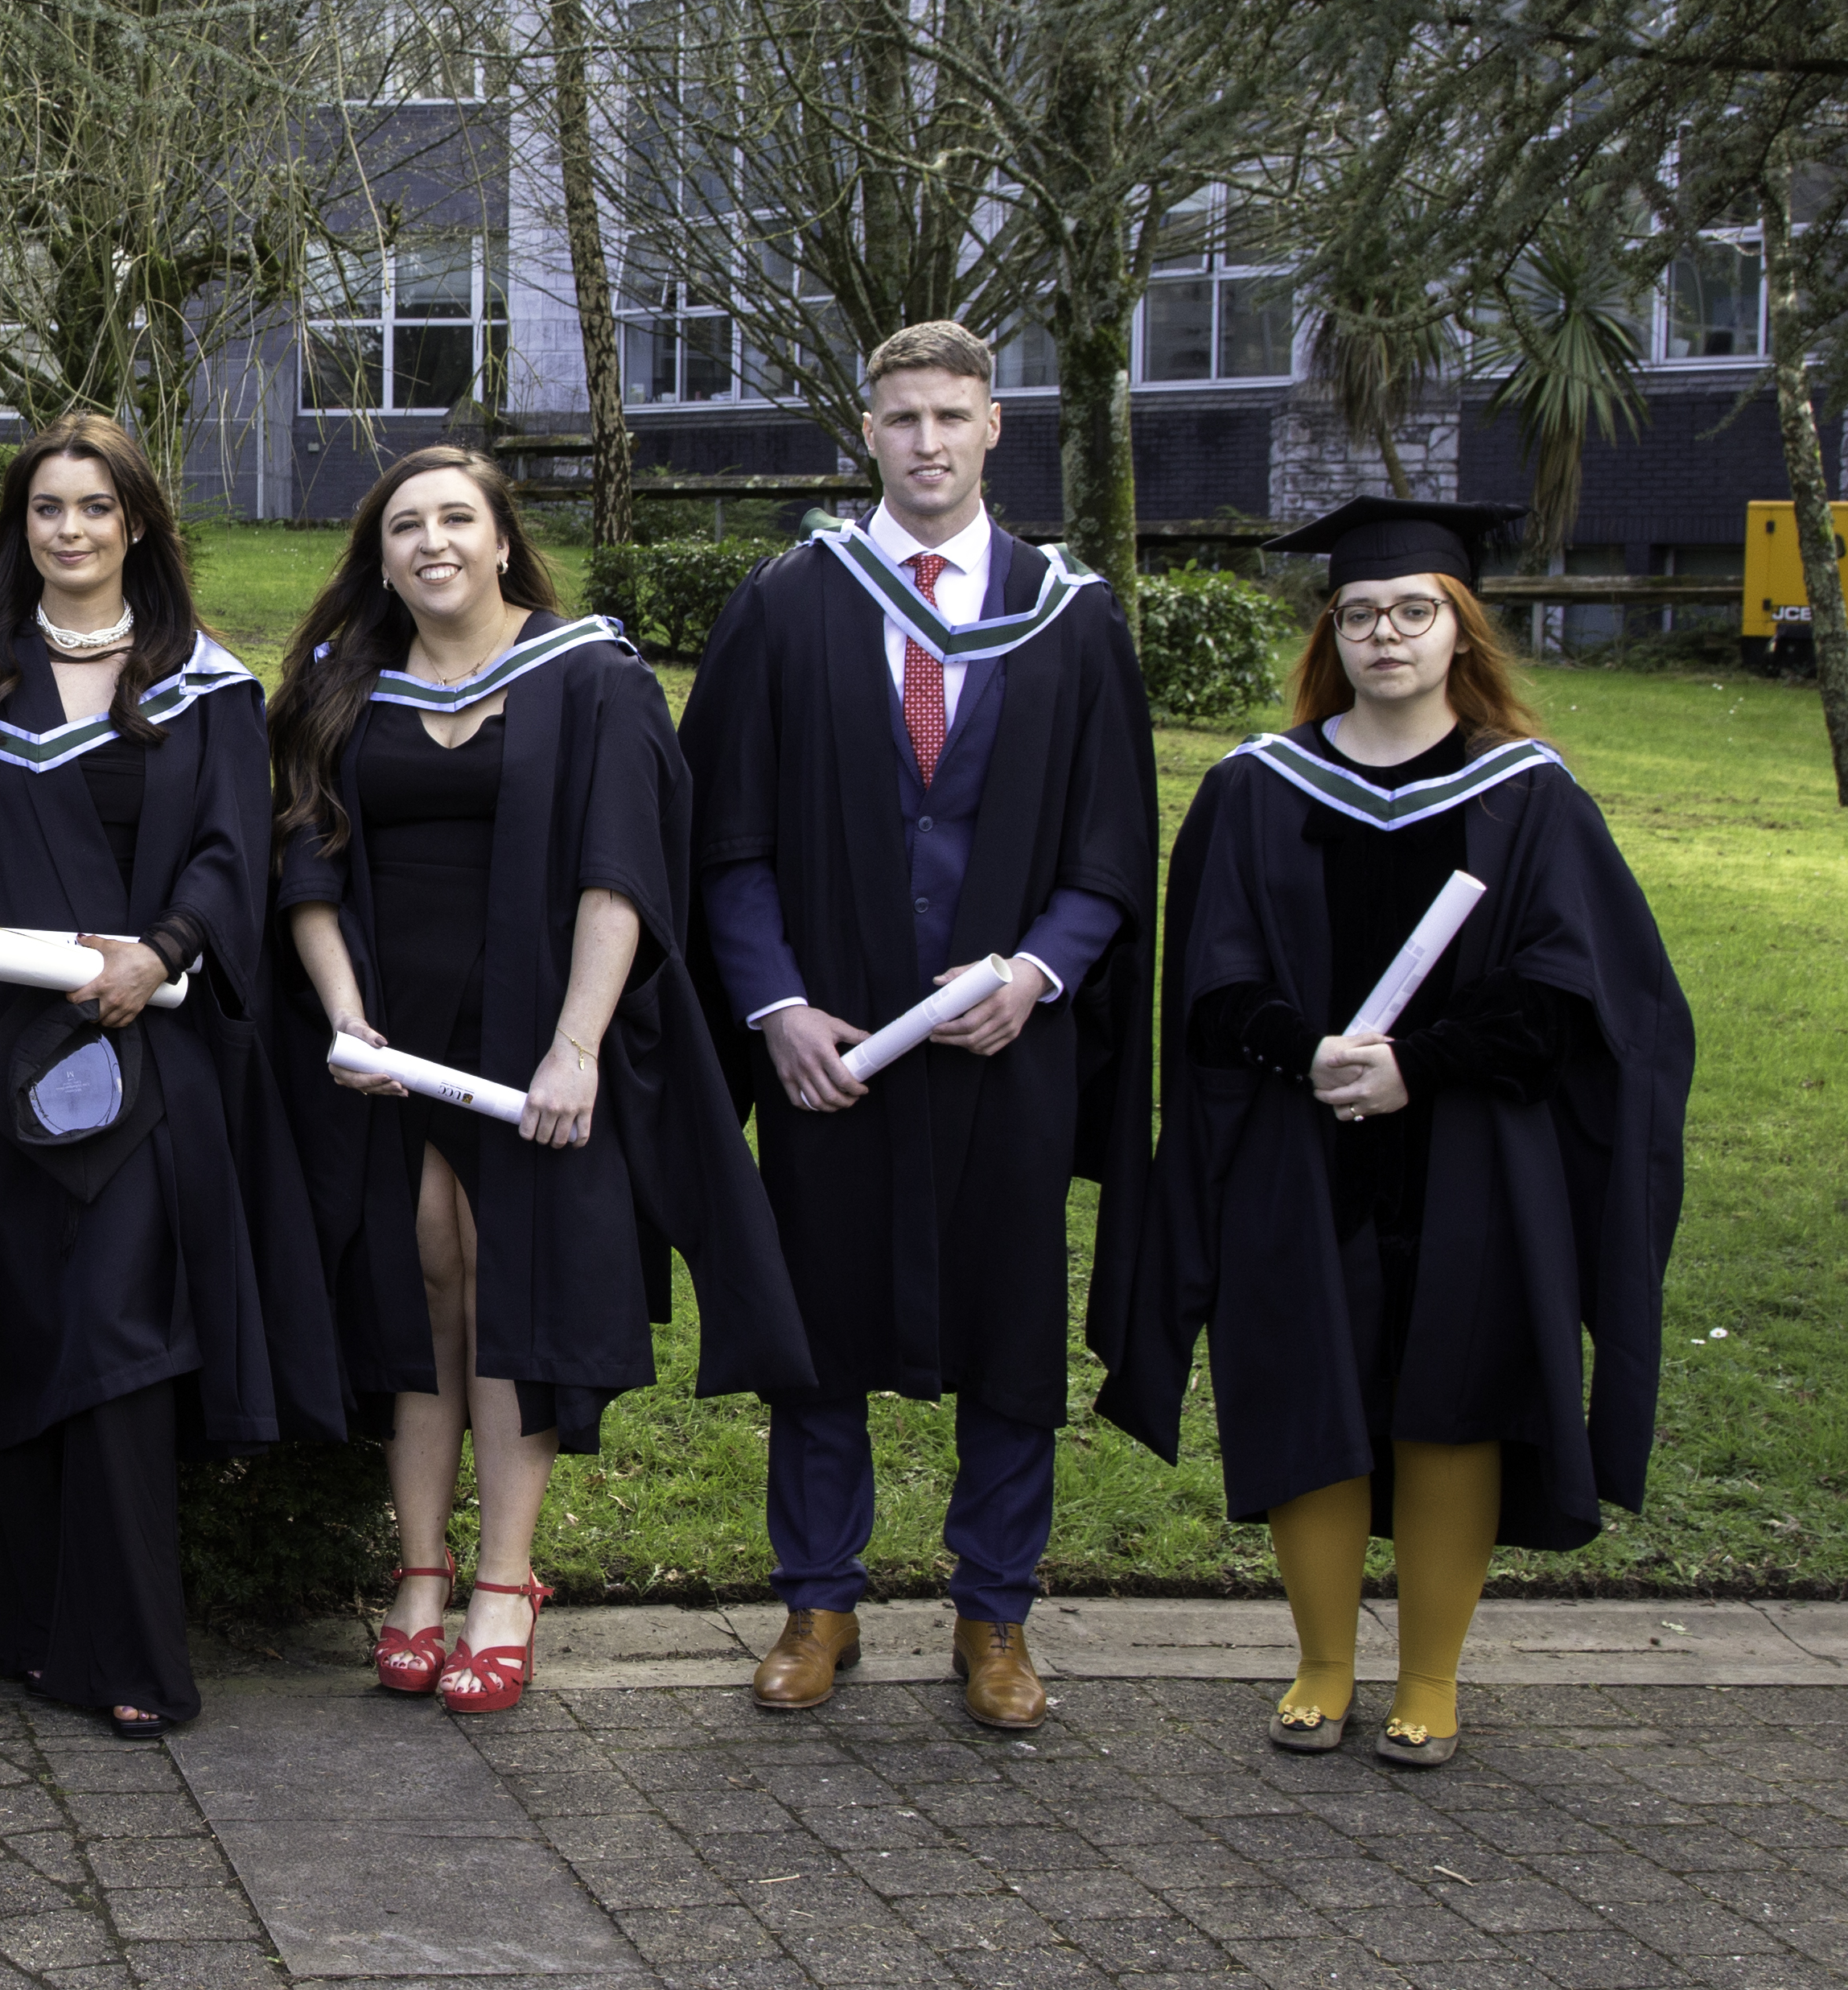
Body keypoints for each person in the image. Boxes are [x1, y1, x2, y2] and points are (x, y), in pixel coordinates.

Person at [1109, 498, 1689, 1765]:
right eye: (1360, 613)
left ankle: (1429, 1678)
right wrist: (1299, 1049)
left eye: (1412, 613)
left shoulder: (1526, 797)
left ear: (1458, 633)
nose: (1384, 635)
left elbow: (1573, 992)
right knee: (1306, 1386)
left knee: (1452, 1400)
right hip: (1295, 1141)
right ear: (1334, 631)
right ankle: (1321, 1662)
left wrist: (1416, 1068)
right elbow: (1207, 985)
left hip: (1468, 1154)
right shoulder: (1258, 787)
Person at [270, 447, 811, 1716]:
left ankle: (505, 1582)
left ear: (504, 541)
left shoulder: (592, 678)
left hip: (531, 1030)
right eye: (405, 526)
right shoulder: (340, 687)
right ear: (380, 554)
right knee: (416, 1277)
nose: (431, 542)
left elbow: (620, 870)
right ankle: (417, 1572)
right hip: (387, 1032)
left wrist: (577, 1043)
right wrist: (346, 1021)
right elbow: (306, 866)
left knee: (509, 1279)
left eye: (457, 518)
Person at [676, 319, 1156, 1730]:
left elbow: (1111, 849)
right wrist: (771, 1007)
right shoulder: (790, 604)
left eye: (952, 416)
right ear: (865, 430)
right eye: (901, 420)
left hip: (1006, 1052)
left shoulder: (1068, 617)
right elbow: (727, 840)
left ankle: (994, 1618)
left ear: (995, 426)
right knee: (816, 1329)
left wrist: (1043, 974)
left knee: (1011, 1333)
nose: (927, 443)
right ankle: (817, 1601)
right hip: (833, 1054)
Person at [0, 416, 342, 1737]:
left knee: (122, 1336)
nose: (71, 530)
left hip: (146, 1052)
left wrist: (162, 954)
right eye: (47, 509)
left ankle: (133, 1653)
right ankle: (32, 1630)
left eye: (96, 507)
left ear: (137, 523)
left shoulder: (200, 685)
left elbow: (222, 855)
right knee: (36, 1331)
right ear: (18, 526)